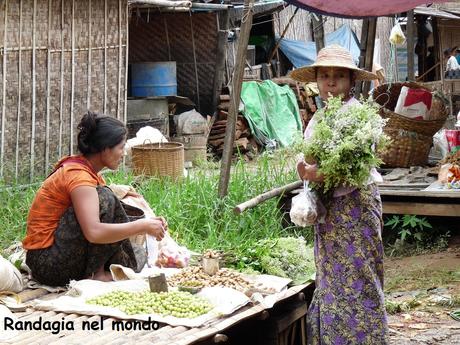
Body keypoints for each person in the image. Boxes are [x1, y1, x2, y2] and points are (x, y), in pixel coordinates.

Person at [290, 44, 389, 344]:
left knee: (361, 279)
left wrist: (312, 173)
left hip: (357, 209)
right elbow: (311, 164)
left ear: (350, 82)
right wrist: (304, 172)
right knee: (332, 281)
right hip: (330, 215)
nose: (330, 83)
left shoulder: (358, 116)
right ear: (317, 82)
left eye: (338, 76)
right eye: (324, 76)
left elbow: (353, 170)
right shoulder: (317, 120)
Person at [23, 111, 167, 286]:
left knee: (136, 256)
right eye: (121, 147)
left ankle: (97, 271)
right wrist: (142, 226)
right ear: (105, 148)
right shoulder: (78, 177)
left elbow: (106, 221)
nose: (124, 154)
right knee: (105, 196)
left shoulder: (86, 171)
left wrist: (149, 223)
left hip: (60, 253)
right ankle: (96, 274)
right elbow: (94, 232)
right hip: (47, 263)